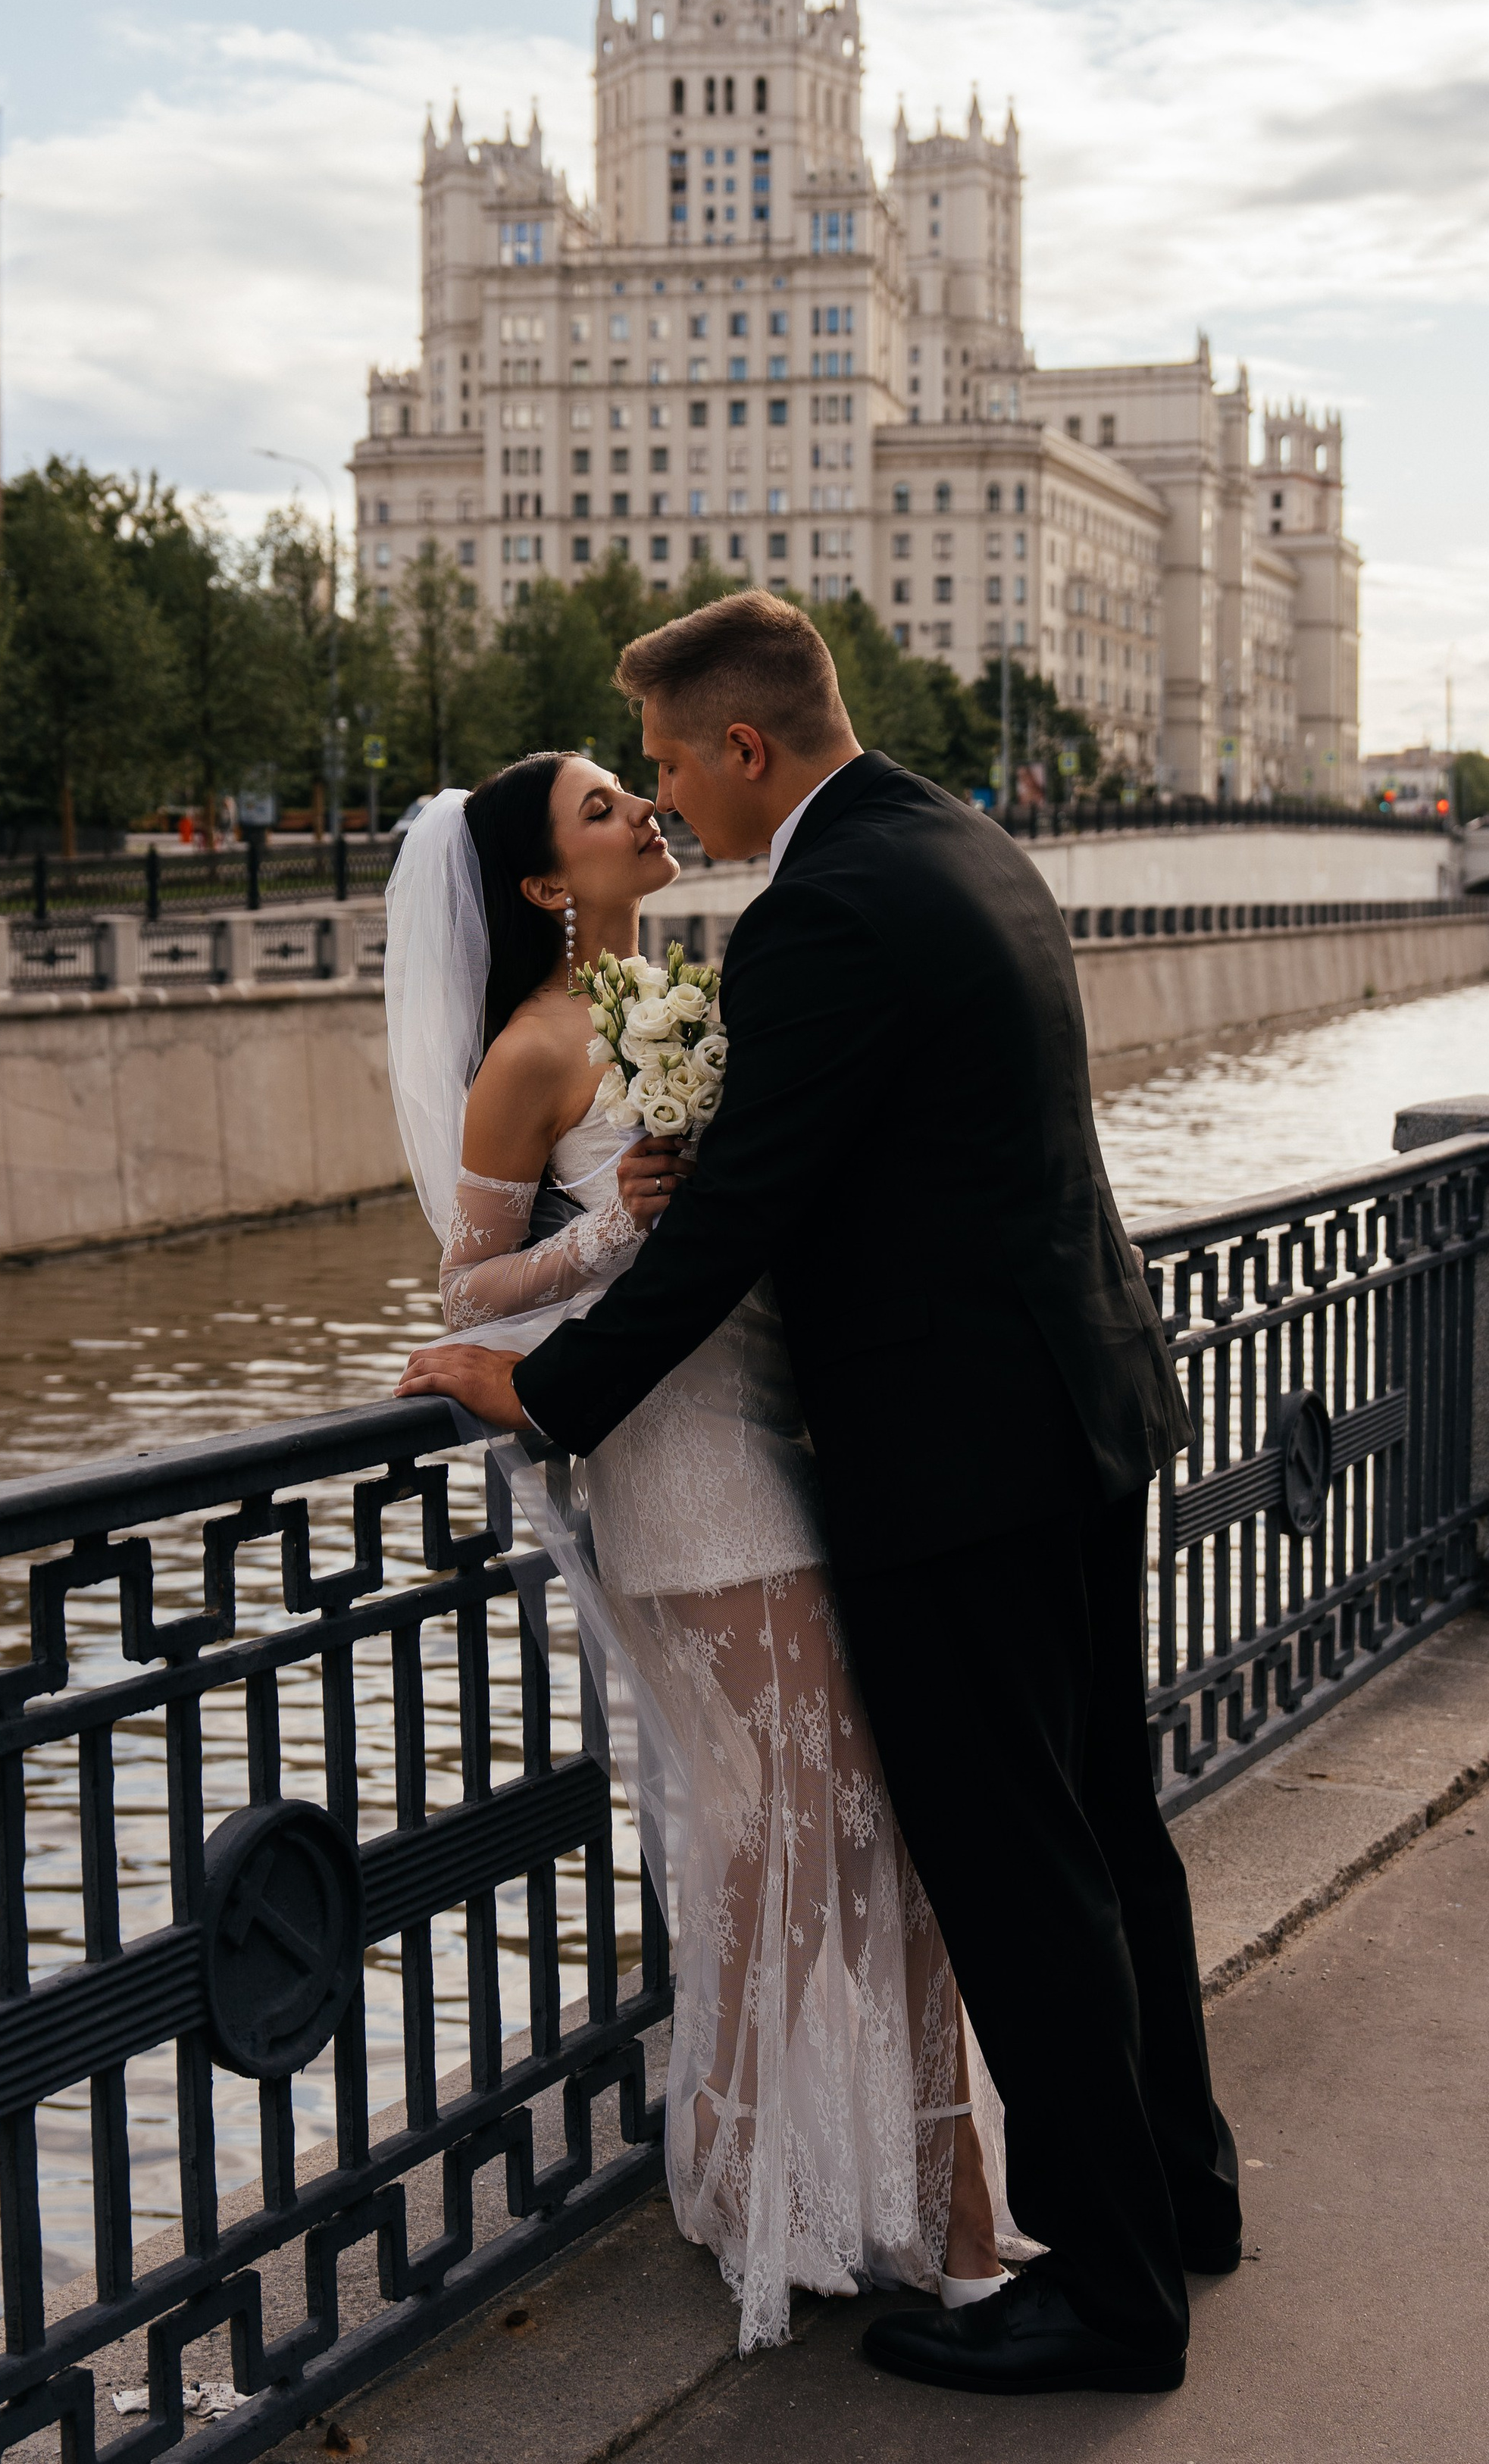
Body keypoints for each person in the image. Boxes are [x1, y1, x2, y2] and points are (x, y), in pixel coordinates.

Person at [398, 589, 1240, 2397]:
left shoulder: (821, 910)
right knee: (1107, 1825)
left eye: (668, 761)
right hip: (1079, 1405)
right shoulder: (964, 843)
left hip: (953, 1463)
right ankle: (1180, 2193)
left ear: (742, 744)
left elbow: (734, 1223)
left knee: (1013, 1868)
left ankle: (1109, 2295)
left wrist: (544, 1390)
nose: (664, 794)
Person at [383, 749, 1014, 2357]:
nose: (641, 812)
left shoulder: (688, 995)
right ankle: (843, 2189)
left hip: (785, 1427)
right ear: (544, 885)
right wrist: (616, 1225)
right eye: (602, 809)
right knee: (807, 1822)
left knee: (835, 1825)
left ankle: (854, 2179)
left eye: (634, 790)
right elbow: (468, 1284)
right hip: (679, 1462)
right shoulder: (534, 1046)